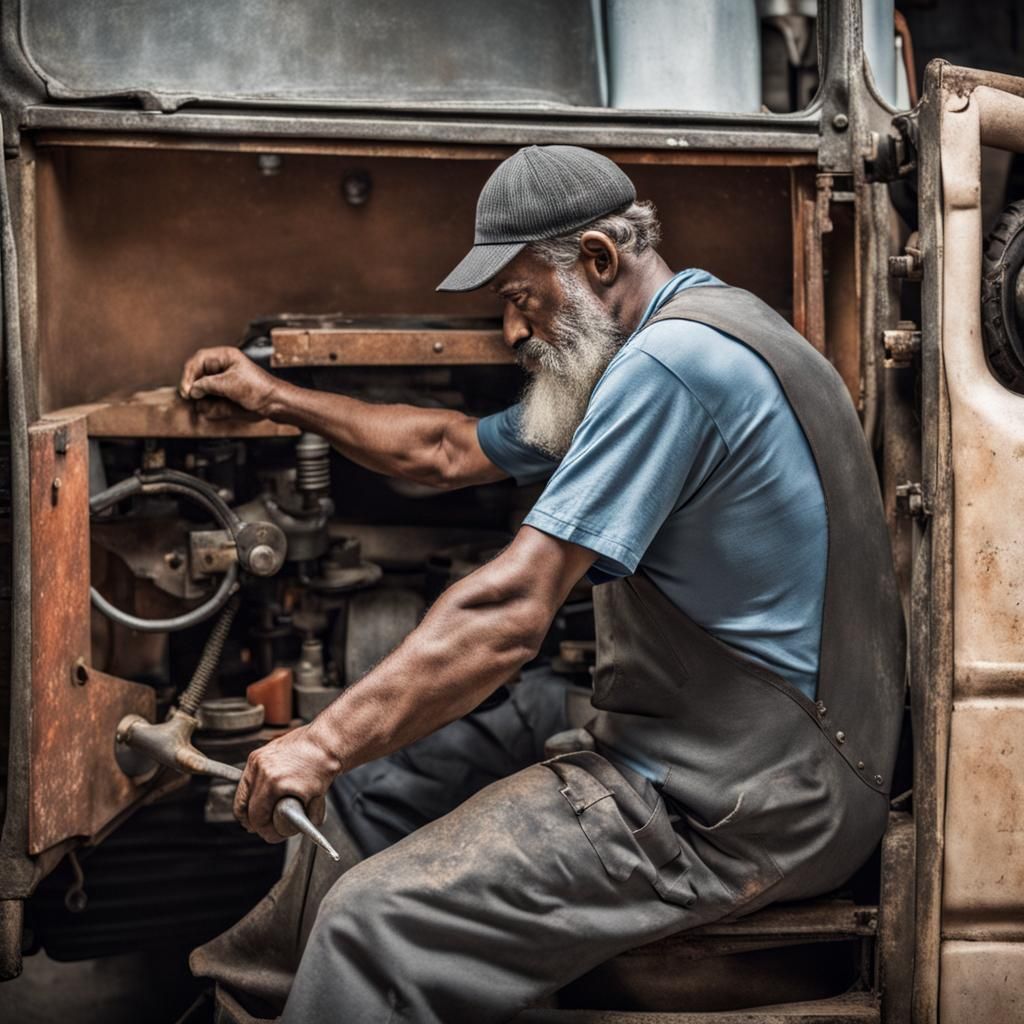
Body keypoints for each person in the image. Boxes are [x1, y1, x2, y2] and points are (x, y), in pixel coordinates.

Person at [180, 145, 904, 1023]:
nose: (514, 333)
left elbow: (509, 613)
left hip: (745, 801)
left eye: (523, 298)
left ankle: (343, 979)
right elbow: (445, 450)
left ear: (597, 260)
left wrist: (321, 742)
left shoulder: (667, 369)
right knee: (377, 791)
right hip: (740, 752)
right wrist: (277, 398)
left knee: (375, 922)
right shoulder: (697, 324)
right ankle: (263, 1004)